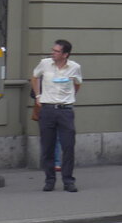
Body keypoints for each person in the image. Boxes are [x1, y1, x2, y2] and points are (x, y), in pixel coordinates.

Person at [31, 39, 83, 191]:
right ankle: (49, 179)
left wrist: (69, 96)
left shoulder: (75, 67)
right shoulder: (45, 63)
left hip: (65, 111)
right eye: (53, 50)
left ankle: (68, 180)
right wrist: (38, 96)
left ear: (65, 54)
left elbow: (78, 83)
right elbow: (34, 77)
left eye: (56, 51)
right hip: (47, 110)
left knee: (68, 146)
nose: (52, 53)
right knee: (47, 146)